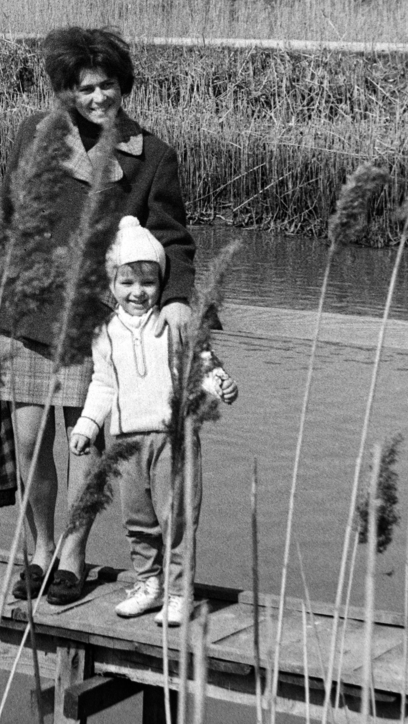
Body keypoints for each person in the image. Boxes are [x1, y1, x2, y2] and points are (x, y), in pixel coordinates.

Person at [0, 26, 197, 606]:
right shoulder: (33, 138)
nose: (97, 98)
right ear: (65, 92)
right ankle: (38, 548)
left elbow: (174, 240)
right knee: (29, 438)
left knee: (82, 442)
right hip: (30, 310)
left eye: (106, 85)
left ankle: (70, 555)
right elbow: (10, 213)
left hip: (100, 320)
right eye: (84, 88)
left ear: (123, 85)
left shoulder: (151, 154)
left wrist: (179, 296)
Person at [70, 217, 237, 625]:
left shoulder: (173, 325)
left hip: (172, 437)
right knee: (138, 518)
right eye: (127, 282)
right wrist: (87, 425)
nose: (138, 292)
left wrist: (220, 384)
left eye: (147, 282)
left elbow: (201, 360)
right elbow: (103, 384)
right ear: (112, 286)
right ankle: (149, 583)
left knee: (176, 515)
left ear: (161, 283)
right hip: (127, 440)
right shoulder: (105, 333)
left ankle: (180, 592)